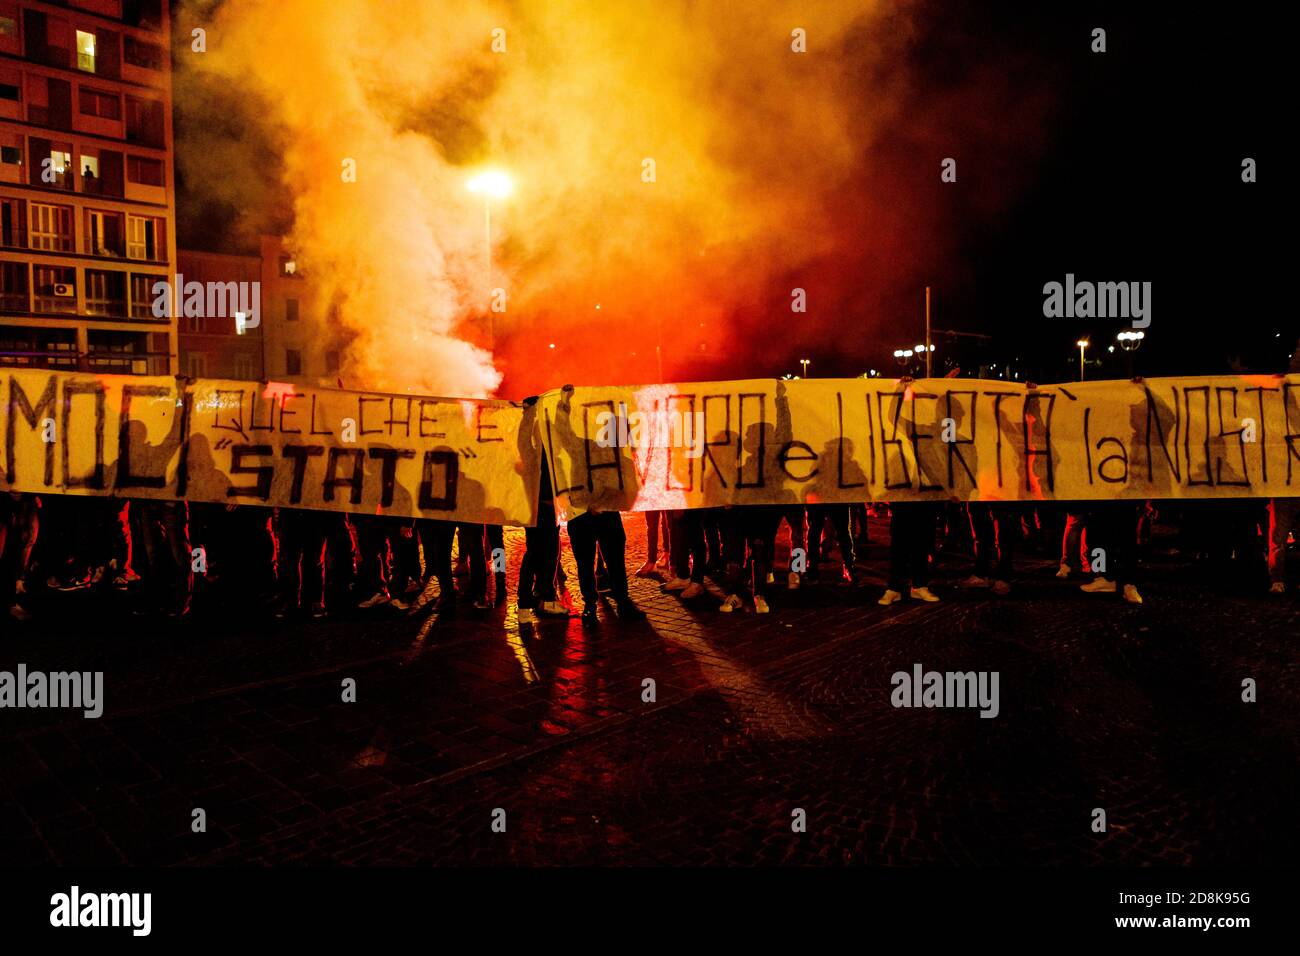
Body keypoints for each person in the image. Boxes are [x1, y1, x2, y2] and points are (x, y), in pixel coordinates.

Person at [566, 509, 644, 622]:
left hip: (599, 511)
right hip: (581, 512)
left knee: (614, 556)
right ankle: (592, 604)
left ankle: (620, 601)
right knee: (585, 561)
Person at [879, 502, 940, 605]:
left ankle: (918, 585)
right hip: (902, 502)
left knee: (921, 542)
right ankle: (895, 587)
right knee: (899, 544)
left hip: (923, 502)